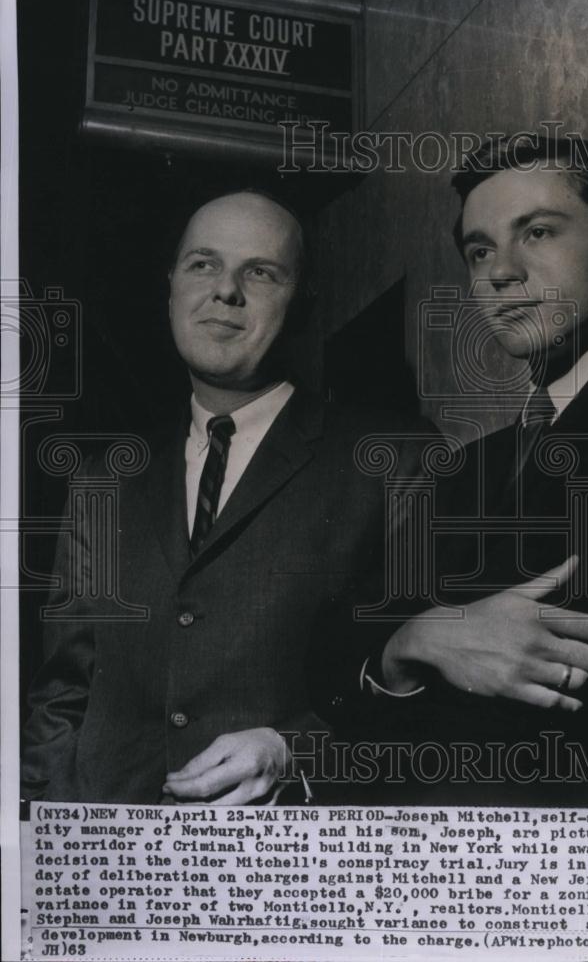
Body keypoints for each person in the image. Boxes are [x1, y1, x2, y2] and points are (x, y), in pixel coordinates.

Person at [312, 136, 588, 809]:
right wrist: (419, 637)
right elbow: (328, 649)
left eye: (536, 232)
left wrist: (422, 633)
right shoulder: (469, 467)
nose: (500, 272)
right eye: (478, 250)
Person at [20, 187, 432, 805]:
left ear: (305, 306)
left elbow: (418, 700)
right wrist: (42, 832)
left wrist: (300, 755)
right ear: (171, 290)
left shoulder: (395, 458)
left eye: (260, 273)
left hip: (281, 869)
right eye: (203, 264)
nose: (225, 291)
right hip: (106, 865)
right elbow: (64, 690)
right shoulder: (103, 480)